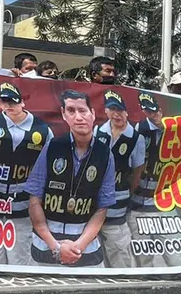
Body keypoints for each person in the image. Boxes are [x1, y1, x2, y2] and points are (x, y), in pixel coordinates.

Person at [28, 90, 116, 266]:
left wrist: (78, 247)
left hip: (86, 250)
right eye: (71, 111)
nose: (78, 117)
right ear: (63, 114)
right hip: (45, 247)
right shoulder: (52, 147)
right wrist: (56, 247)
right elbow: (34, 199)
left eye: (82, 110)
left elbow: (102, 209)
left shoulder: (105, 154)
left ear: (92, 113)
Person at [0, 82, 52, 265]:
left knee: (19, 258)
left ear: (22, 103)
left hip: (23, 204)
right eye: (5, 101)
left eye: (13, 101)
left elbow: (49, 167)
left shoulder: (42, 129)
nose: (9, 105)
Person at [94, 90, 146, 268]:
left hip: (117, 208)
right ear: (106, 111)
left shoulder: (136, 139)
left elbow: (137, 174)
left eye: (120, 110)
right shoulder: (98, 131)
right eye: (112, 109)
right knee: (94, 256)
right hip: (93, 207)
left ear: (126, 112)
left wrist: (126, 195)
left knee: (120, 255)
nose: (116, 114)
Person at [129, 91, 170, 267]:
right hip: (137, 204)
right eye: (148, 111)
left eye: (155, 110)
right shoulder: (138, 129)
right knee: (143, 257)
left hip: (164, 204)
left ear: (160, 110)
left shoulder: (174, 129)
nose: (152, 115)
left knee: (175, 254)